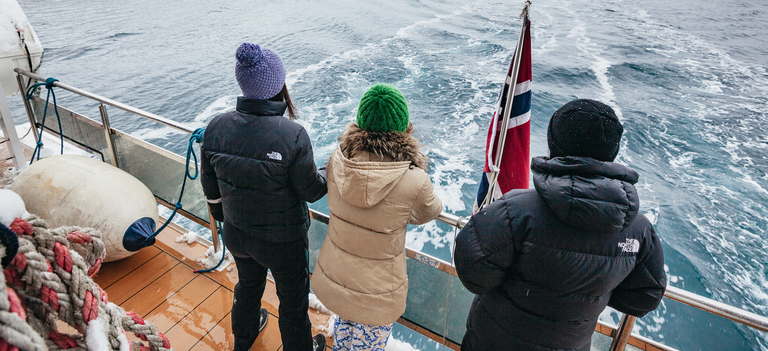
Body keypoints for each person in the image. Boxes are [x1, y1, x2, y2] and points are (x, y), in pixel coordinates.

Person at [454, 98, 666, 351]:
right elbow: (645, 297)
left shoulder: (516, 210)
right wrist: (591, 294)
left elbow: (473, 273)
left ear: (554, 144)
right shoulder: (640, 230)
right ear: (611, 152)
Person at [200, 43, 328, 351]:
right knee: (293, 301)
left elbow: (211, 192)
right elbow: (312, 191)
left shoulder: (215, 127)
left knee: (248, 285)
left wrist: (228, 220)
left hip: (236, 234)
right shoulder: (292, 135)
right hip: (283, 243)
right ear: (278, 85)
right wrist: (329, 168)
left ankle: (243, 339)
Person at [311, 84, 444, 351]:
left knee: (344, 332)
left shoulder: (337, 160)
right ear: (403, 126)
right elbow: (432, 209)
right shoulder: (413, 180)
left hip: (336, 280)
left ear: (361, 121)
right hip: (378, 296)